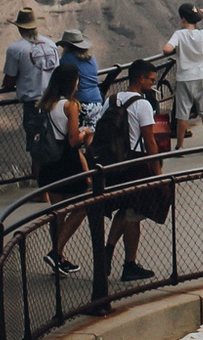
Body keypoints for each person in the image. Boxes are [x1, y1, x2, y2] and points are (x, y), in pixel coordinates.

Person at [96, 60, 164, 283]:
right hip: (136, 163)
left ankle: (129, 263)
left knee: (129, 212)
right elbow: (149, 140)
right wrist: (157, 171)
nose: (152, 84)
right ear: (141, 79)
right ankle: (113, 252)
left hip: (115, 162)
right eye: (151, 80)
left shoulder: (111, 100)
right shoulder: (142, 105)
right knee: (131, 212)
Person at [33, 63, 90, 275]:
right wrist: (86, 133)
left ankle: (59, 258)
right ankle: (55, 252)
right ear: (71, 82)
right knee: (82, 207)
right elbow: (74, 140)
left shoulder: (45, 103)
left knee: (58, 213)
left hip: (49, 161)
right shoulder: (70, 105)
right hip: (67, 161)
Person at [1, 6, 60, 166]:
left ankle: (42, 188)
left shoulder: (15, 49)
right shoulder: (51, 45)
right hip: (55, 102)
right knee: (58, 144)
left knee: (37, 149)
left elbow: (9, 81)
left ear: (20, 28)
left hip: (34, 106)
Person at [161, 3, 203, 154]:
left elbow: (167, 49)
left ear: (183, 19)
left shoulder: (179, 34)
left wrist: (171, 50)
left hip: (184, 78)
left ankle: (180, 146)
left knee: (182, 113)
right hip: (201, 76)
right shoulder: (200, 34)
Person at [57, 29, 103, 121]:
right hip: (97, 102)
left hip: (81, 103)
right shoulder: (91, 58)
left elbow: (58, 75)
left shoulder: (67, 59)